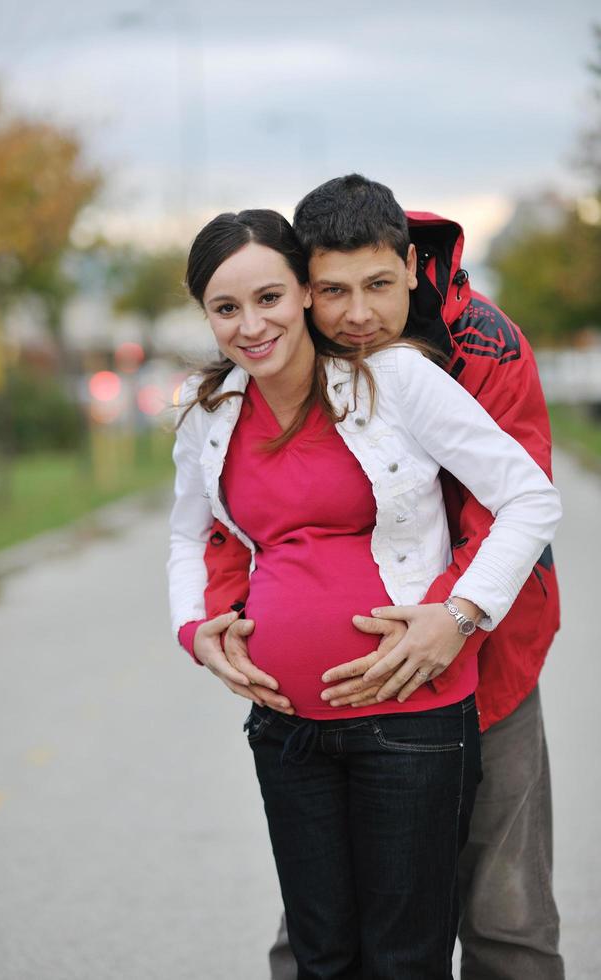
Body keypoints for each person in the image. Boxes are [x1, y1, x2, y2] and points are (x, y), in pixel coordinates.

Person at [168, 204, 561, 979]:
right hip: (289, 728)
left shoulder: (410, 372)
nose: (250, 323)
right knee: (318, 950)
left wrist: (458, 615)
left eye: (268, 298)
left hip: (421, 712)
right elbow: (192, 533)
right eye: (225, 307)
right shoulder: (208, 412)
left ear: (299, 294)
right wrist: (197, 628)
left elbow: (526, 497)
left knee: (446, 942)